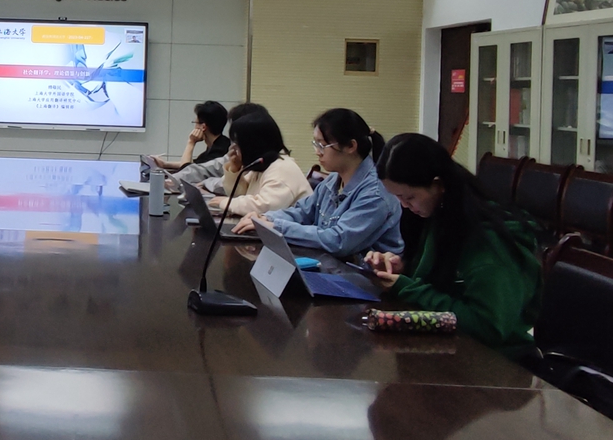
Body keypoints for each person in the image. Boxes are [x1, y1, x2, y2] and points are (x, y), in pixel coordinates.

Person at [364, 133, 542, 354]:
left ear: (438, 185)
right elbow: (442, 282)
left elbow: (488, 328)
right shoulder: (439, 217)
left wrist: (407, 287)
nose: (404, 206)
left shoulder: (489, 243)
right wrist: (403, 268)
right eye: (398, 198)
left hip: (498, 361)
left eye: (409, 198)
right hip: (450, 348)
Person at [231, 108, 403, 258]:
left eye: (322, 145)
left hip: (365, 277)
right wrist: (265, 218)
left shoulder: (375, 193)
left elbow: (338, 240)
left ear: (351, 146)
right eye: (315, 144)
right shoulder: (333, 180)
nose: (317, 152)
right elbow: (302, 212)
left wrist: (276, 226)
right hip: (331, 265)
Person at [208, 111, 312, 216]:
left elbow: (264, 207)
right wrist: (235, 168)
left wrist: (226, 203)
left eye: (238, 144)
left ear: (252, 145)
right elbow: (239, 195)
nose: (234, 149)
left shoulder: (283, 168)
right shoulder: (262, 166)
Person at [169, 102, 269, 191]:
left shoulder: (266, 163)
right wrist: (170, 173)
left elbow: (231, 185)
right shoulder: (238, 152)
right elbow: (205, 168)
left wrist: (191, 142)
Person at [150, 101, 230, 170]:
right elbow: (194, 165)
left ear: (203, 127)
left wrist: (191, 142)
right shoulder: (220, 144)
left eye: (196, 123)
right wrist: (165, 164)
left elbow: (187, 171)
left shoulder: (219, 151)